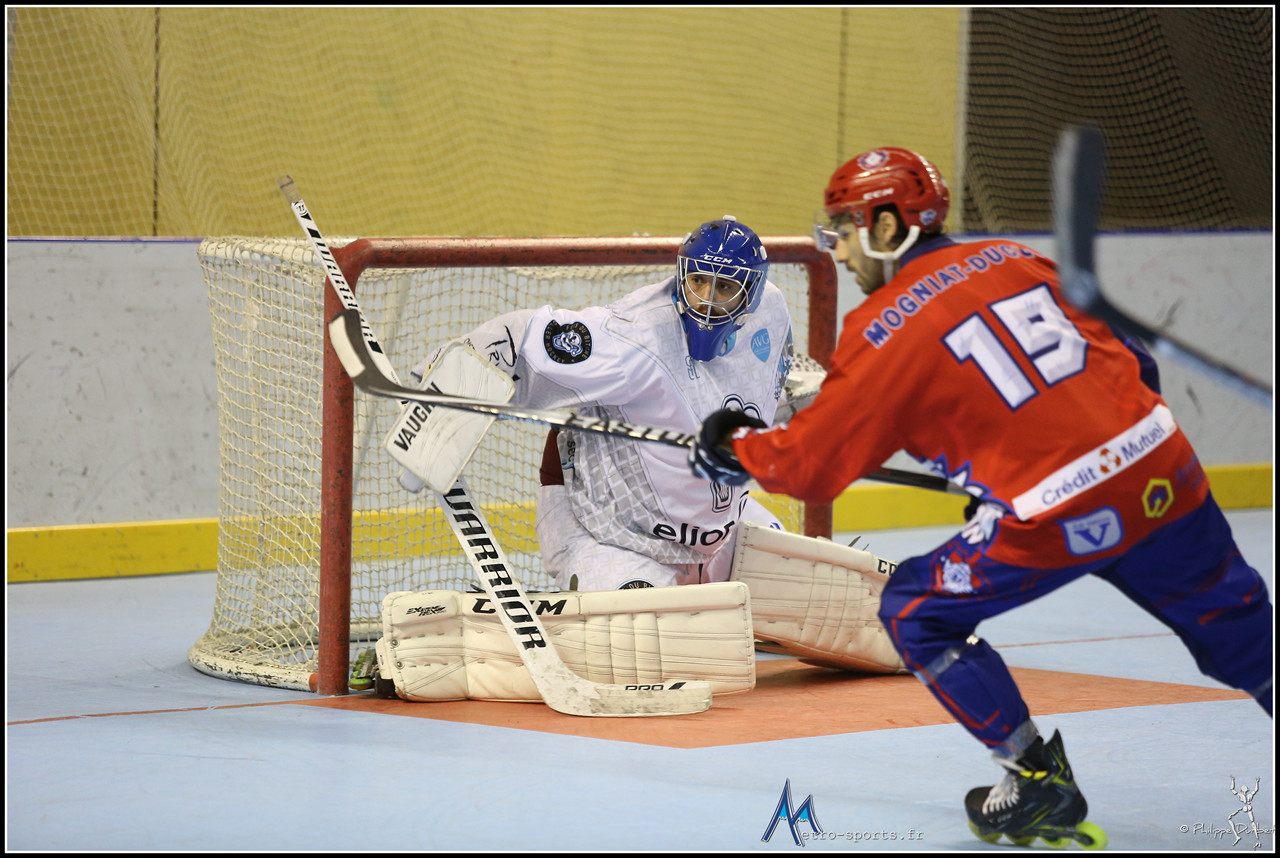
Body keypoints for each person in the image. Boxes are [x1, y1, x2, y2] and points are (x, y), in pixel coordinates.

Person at [689, 147, 1274, 847]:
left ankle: (1036, 781)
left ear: (886, 226)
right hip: (1162, 466)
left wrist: (736, 449)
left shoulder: (883, 328)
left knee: (915, 610)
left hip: (1060, 513)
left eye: (842, 229)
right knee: (1241, 635)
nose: (837, 249)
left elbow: (813, 466)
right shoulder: (1018, 258)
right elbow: (1133, 364)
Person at [410, 215, 794, 591]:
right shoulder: (636, 337)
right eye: (697, 281)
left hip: (714, 533)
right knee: (646, 627)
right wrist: (436, 385)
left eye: (724, 287)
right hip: (611, 533)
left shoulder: (771, 314)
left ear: (753, 294)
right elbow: (523, 337)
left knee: (804, 585)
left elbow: (760, 385)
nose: (706, 301)